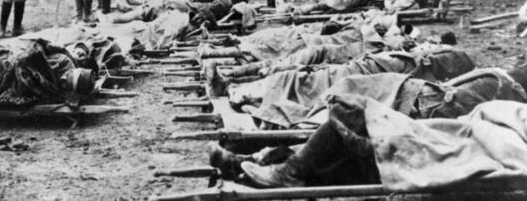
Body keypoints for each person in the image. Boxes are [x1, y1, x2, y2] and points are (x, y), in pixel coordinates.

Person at [209, 65, 527, 185]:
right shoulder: (502, 87)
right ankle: (263, 163)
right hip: (453, 130)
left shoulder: (508, 97)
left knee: (353, 111)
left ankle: (285, 169)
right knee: (346, 105)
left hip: (462, 142)